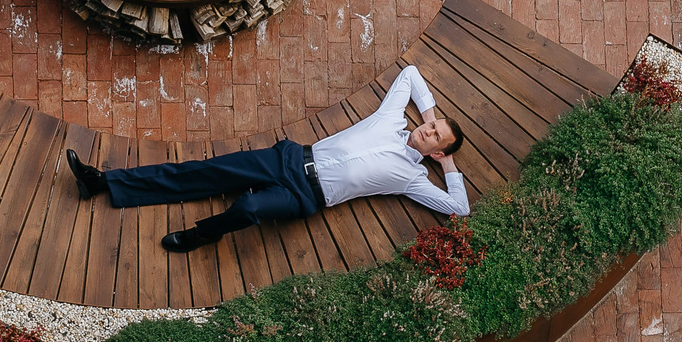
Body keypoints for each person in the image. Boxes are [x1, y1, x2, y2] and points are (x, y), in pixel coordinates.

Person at [66, 63, 468, 252]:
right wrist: (432, 115)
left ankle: (203, 234)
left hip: (306, 197)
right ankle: (102, 182)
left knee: (250, 205)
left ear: (437, 151)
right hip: (289, 160)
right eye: (431, 126)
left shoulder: (412, 180)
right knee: (204, 171)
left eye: (435, 137)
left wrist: (446, 166)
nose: (426, 131)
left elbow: (459, 207)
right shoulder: (390, 118)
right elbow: (412, 74)